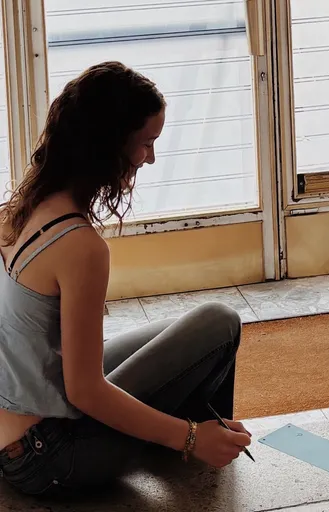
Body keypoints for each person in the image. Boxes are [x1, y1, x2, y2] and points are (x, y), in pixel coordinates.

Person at [0, 61, 251, 496]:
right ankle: (201, 440)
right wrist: (188, 437)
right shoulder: (79, 245)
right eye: (146, 143)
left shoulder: (17, 212)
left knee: (185, 332)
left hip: (19, 433)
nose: (150, 158)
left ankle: (201, 433)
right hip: (50, 457)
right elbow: (86, 392)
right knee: (219, 323)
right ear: (108, 146)